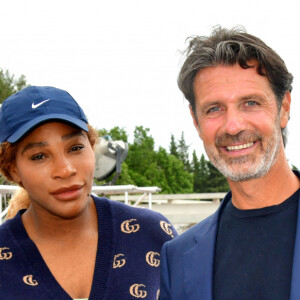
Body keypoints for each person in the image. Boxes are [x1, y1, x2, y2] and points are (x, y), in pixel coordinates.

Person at [160, 26, 300, 300]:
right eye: (214, 109)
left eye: (250, 102)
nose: (233, 126)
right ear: (195, 121)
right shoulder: (177, 258)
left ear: (284, 108)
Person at [0, 86, 177, 300]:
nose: (65, 170)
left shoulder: (152, 234)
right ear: (13, 170)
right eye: (39, 156)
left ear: (92, 147)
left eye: (75, 148)